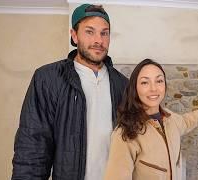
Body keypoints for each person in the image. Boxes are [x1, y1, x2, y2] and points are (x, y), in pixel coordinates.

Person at [11, 4, 128, 180]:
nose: (99, 40)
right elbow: (33, 147)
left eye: (104, 33)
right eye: (90, 32)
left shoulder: (122, 84)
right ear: (74, 35)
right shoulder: (48, 79)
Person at [104, 59, 198, 180]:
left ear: (165, 85)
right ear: (135, 88)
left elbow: (187, 121)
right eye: (145, 82)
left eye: (159, 81)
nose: (153, 88)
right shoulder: (125, 134)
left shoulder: (171, 119)